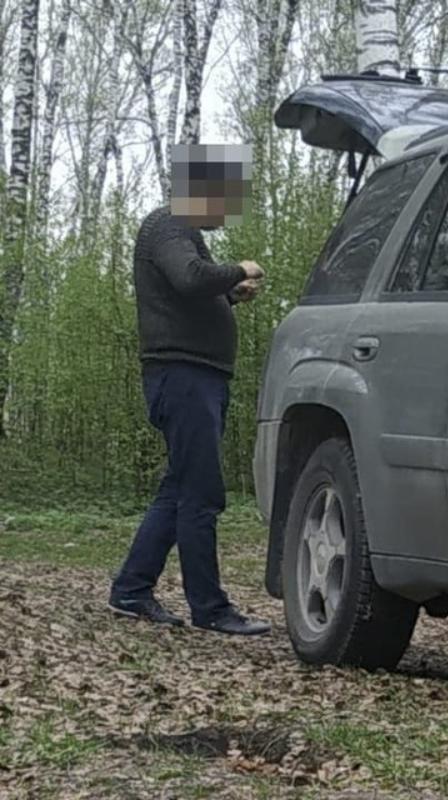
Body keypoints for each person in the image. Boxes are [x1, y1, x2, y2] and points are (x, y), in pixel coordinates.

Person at [108, 143, 270, 636]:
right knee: (202, 493)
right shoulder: (169, 224)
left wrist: (229, 296)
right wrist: (238, 270)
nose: (229, 209)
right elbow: (189, 277)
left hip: (193, 377)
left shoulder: (180, 230)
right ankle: (211, 608)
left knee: (179, 488)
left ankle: (132, 589)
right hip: (183, 377)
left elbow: (194, 287)